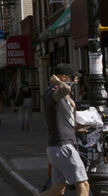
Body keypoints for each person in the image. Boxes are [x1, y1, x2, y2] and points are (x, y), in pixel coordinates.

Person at [39, 64, 89, 196]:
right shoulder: (51, 94)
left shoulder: (64, 98)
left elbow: (63, 120)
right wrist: (57, 82)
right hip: (63, 147)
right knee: (83, 185)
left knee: (58, 189)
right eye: (73, 78)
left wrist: (79, 128)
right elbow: (65, 89)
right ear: (63, 77)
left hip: (59, 147)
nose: (75, 81)